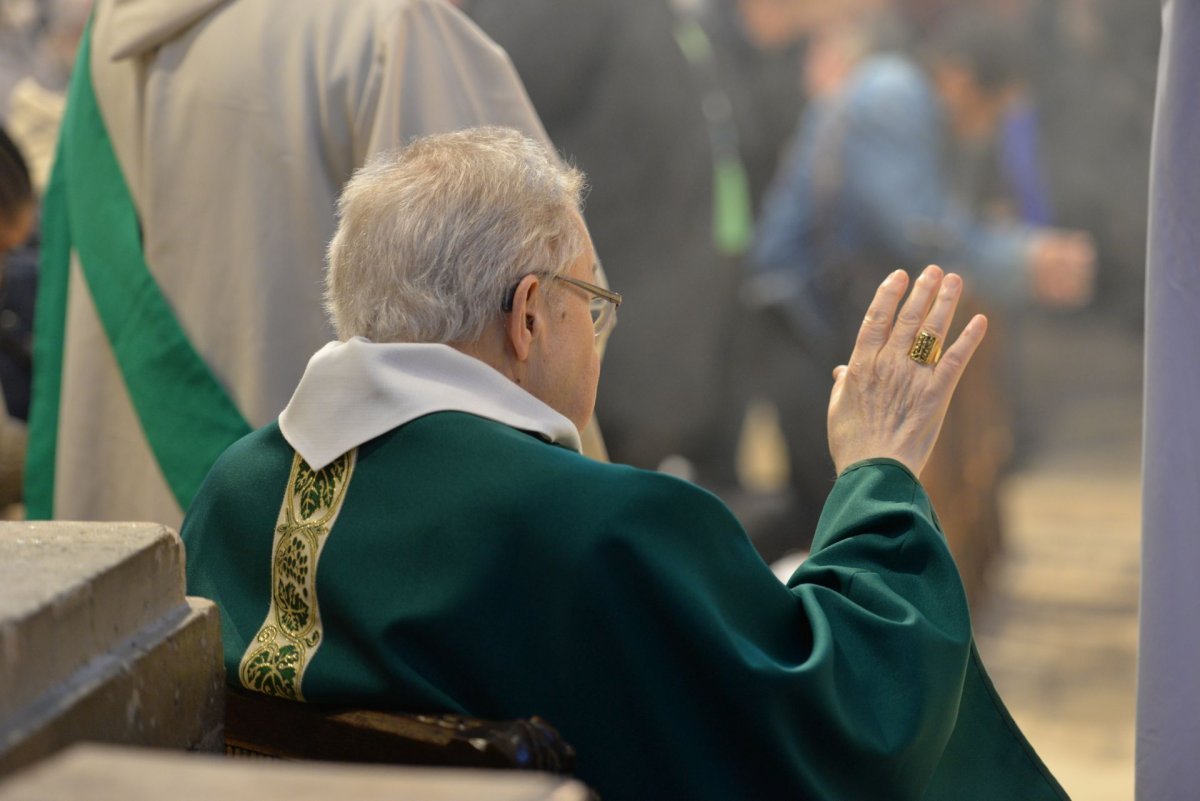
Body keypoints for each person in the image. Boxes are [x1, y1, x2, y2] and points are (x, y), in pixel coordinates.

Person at [183, 127, 1069, 801]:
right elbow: (844, 728)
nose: (598, 339)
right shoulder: (601, 527)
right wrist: (878, 476)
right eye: (593, 303)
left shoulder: (232, 493)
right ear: (529, 316)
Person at [25, 0, 551, 527]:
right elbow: (533, 318)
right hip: (330, 559)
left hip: (135, 545)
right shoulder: (389, 24)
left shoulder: (110, 34)